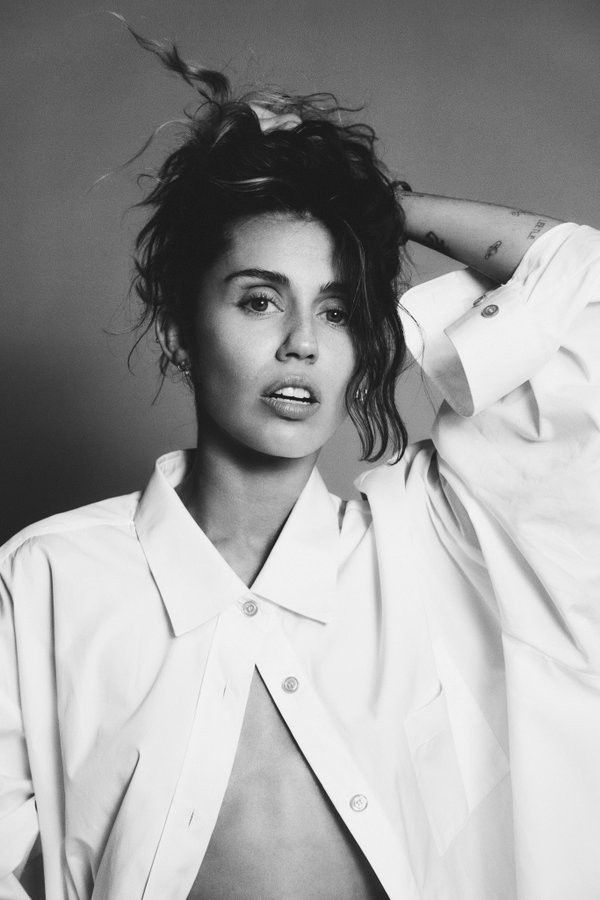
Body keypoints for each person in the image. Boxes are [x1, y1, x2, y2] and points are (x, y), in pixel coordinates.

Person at [1, 29, 599, 900]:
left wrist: (379, 208)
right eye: (258, 300)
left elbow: (585, 294)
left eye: (337, 309)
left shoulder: (427, 543)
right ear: (178, 325)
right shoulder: (47, 579)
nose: (302, 345)